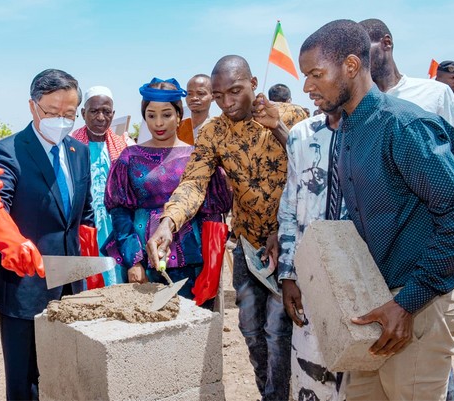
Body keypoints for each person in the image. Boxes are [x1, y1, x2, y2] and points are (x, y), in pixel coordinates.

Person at [299, 19, 454, 401]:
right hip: (379, 309)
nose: (307, 87)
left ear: (352, 66)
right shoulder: (348, 132)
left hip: (417, 307)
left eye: (315, 74)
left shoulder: (405, 126)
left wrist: (407, 304)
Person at [147, 56, 308, 401]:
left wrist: (277, 127)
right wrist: (168, 222)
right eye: (219, 95)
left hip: (291, 244)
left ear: (253, 83)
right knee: (250, 329)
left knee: (278, 331)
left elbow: (313, 169)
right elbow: (194, 181)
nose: (227, 102)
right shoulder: (214, 132)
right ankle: (272, 392)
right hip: (249, 245)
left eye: (235, 91)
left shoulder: (292, 115)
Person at [359, 18, 454, 400]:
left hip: (426, 275)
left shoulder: (431, 97)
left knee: (430, 371)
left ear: (386, 43)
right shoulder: (357, 116)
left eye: (365, 47)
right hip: (383, 283)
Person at [0, 68, 94, 400]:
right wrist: (13, 244)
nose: (61, 120)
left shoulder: (79, 152)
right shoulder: (8, 151)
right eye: (53, 112)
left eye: (69, 114)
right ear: (33, 106)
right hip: (25, 285)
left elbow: (83, 214)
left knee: (66, 371)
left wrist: (90, 267)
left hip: (71, 285)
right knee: (25, 380)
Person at [102, 78, 231, 305]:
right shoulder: (129, 158)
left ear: (179, 115)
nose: (158, 123)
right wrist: (134, 261)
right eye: (151, 115)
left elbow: (212, 216)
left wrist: (211, 266)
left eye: (166, 114)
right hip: (144, 265)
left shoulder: (198, 157)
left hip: (193, 263)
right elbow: (120, 214)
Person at [277, 105, 347, 401]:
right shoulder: (302, 134)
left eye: (317, 74)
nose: (308, 86)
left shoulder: (378, 131)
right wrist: (288, 274)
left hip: (359, 282)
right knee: (311, 375)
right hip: (309, 281)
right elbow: (290, 209)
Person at [358, 19, 454, 175]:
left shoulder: (435, 93)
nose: (358, 60)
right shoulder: (358, 104)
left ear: (386, 43)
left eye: (363, 50)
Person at [71, 85, 128, 285]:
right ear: (83, 113)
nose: (101, 117)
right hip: (83, 226)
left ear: (113, 114)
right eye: (94, 111)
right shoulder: (70, 146)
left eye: (106, 112)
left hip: (114, 226)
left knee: (115, 279)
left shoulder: (123, 147)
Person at [177, 74, 214, 144]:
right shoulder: (176, 128)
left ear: (213, 97)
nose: (194, 98)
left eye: (200, 93)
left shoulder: (218, 130)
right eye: (189, 94)